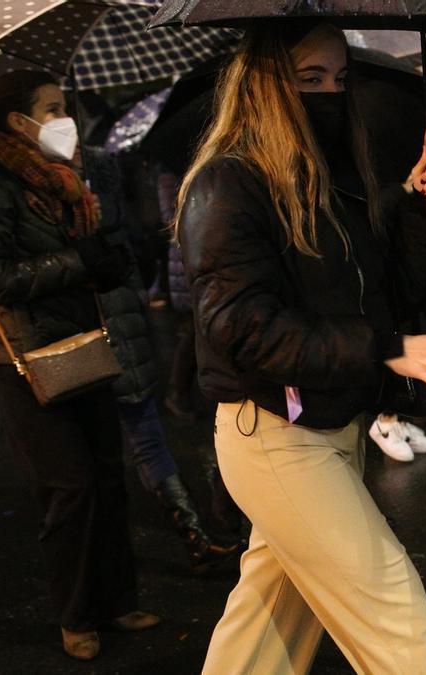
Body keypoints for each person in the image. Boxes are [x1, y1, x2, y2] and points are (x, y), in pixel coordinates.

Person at [175, 22, 426, 673]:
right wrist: (387, 348)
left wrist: (424, 212)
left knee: (267, 628)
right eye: (310, 79)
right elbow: (242, 327)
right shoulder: (227, 184)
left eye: (341, 78)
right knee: (400, 624)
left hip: (334, 424)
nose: (331, 93)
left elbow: (387, 289)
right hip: (277, 436)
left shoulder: (329, 175)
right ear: (266, 83)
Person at [0, 69, 158, 661]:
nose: (65, 117)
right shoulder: (4, 182)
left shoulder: (63, 179)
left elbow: (86, 250)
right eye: (52, 107)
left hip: (84, 340)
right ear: (19, 121)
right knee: (69, 487)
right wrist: (79, 261)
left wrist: (109, 255)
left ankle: (116, 599)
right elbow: (2, 278)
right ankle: (75, 615)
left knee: (107, 476)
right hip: (26, 357)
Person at [84, 146, 242, 575]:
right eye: (52, 110)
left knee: (145, 435)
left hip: (118, 325)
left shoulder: (99, 173)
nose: (64, 122)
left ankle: (195, 538)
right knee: (87, 471)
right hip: (63, 347)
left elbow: (133, 243)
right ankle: (100, 585)